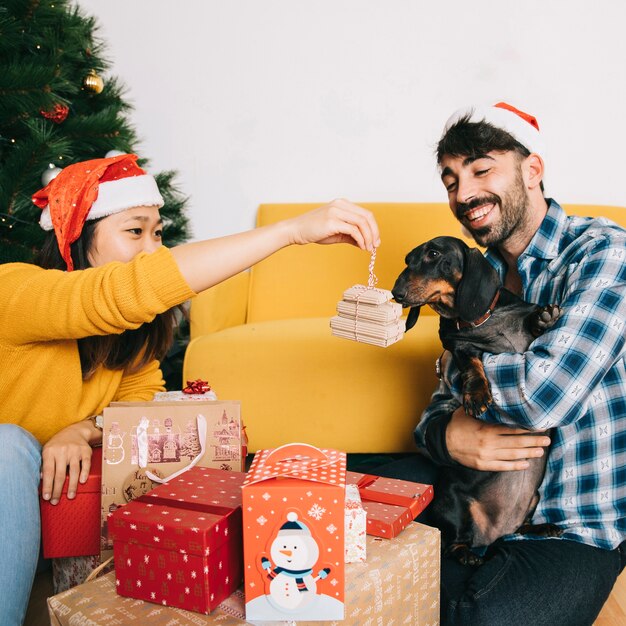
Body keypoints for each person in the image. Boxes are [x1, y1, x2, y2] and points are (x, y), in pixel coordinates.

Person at [0, 153, 380, 626]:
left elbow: (138, 397)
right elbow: (124, 291)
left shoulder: (129, 336)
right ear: (76, 240)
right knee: (8, 444)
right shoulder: (16, 289)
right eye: (134, 231)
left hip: (47, 525)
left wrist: (82, 429)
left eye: (158, 233)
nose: (154, 248)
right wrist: (290, 231)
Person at [380, 102, 626, 625]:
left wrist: (463, 380)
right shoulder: (472, 274)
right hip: (468, 493)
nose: (463, 193)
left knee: (479, 617)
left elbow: (545, 395)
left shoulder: (604, 253)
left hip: (573, 522)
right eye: (451, 180)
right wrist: (449, 433)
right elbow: (436, 414)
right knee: (356, 543)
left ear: (531, 170)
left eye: (481, 168)